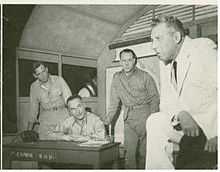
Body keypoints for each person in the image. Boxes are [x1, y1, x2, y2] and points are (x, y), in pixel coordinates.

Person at [146, 15, 217, 169]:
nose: (153, 46)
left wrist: (217, 134)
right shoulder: (164, 62)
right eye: (152, 40)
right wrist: (181, 114)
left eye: (158, 39)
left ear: (176, 37)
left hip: (210, 130)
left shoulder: (203, 48)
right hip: (187, 129)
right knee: (155, 121)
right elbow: (166, 103)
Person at [102, 49, 160, 169]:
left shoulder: (145, 76)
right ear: (120, 62)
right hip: (128, 117)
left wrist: (152, 120)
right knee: (129, 154)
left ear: (134, 61)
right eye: (124, 60)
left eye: (129, 60)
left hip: (145, 115)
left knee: (145, 154)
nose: (126, 63)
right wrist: (107, 120)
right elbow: (114, 103)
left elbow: (154, 98)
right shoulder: (116, 78)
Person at [29, 61, 72, 140]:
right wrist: (28, 131)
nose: (43, 75)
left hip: (63, 118)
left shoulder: (59, 80)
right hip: (46, 122)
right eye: (39, 74)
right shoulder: (34, 87)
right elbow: (33, 110)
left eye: (44, 71)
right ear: (35, 75)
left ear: (47, 69)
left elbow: (70, 101)